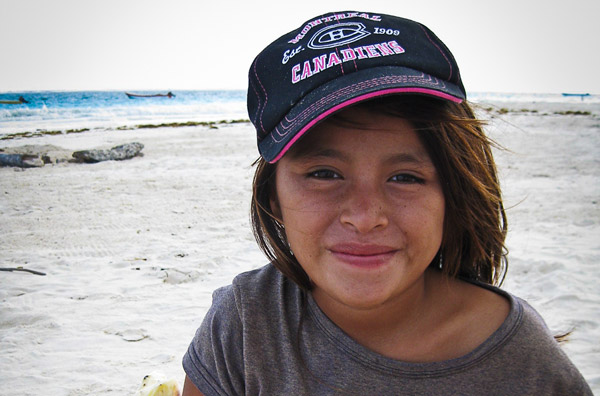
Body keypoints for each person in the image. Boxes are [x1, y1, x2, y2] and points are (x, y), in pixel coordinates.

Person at [182, 11, 592, 395]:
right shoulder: (245, 325)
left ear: (454, 194)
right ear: (274, 195)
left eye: (404, 178)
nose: (364, 218)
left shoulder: (523, 364)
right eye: (324, 174)